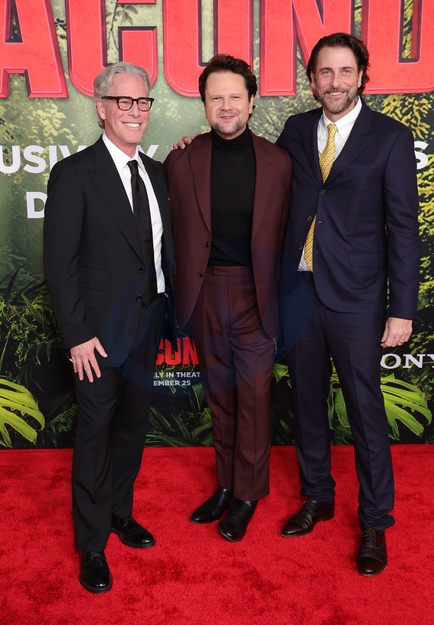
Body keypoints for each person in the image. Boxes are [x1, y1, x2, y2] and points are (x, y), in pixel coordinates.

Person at [277, 33, 420, 575]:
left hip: (358, 298)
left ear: (362, 76)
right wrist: (192, 148)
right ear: (312, 80)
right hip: (299, 290)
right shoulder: (295, 130)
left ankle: (375, 520)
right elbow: (262, 178)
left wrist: (401, 308)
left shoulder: (390, 137)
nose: (334, 82)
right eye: (324, 72)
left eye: (344, 71)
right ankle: (318, 495)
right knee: (307, 402)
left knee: (364, 409)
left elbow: (403, 228)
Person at [44, 62, 174, 593]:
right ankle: (92, 543)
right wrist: (77, 335)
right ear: (101, 107)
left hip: (148, 323)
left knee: (132, 427)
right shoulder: (74, 174)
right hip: (96, 335)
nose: (135, 111)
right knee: (96, 431)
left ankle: (121, 512)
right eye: (124, 102)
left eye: (142, 102)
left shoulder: (157, 173)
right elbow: (60, 265)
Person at [164, 55, 292, 542]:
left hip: (257, 293)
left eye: (235, 96)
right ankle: (225, 485)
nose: (226, 105)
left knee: (253, 396)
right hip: (205, 291)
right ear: (203, 104)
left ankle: (247, 494)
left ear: (252, 101)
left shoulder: (279, 163)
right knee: (219, 395)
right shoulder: (181, 160)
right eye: (215, 97)